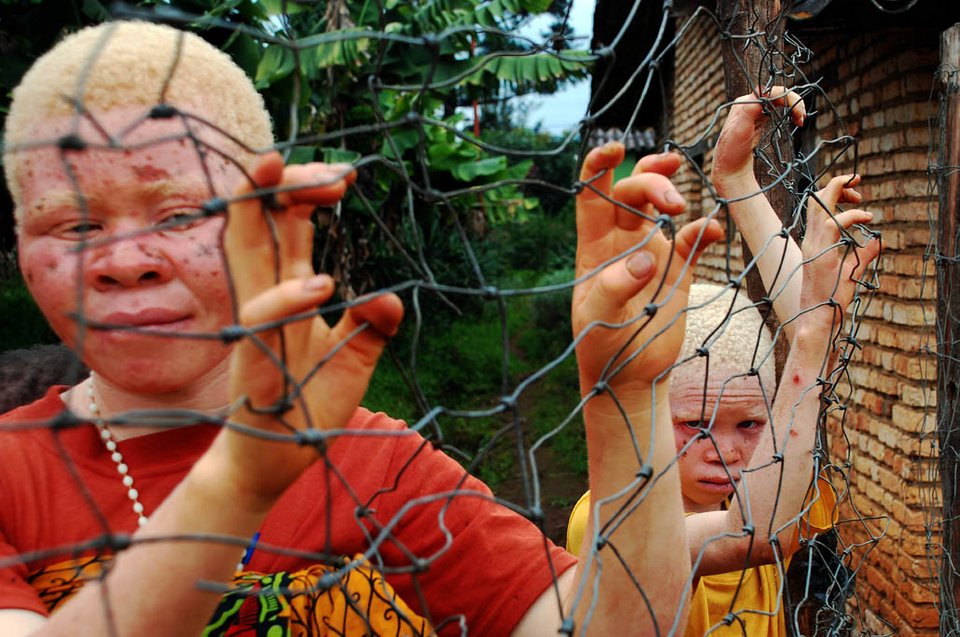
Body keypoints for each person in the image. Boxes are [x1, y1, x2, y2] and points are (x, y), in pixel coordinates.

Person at [0, 20, 728, 636]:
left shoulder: (380, 468)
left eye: (180, 214)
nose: (124, 262)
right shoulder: (11, 474)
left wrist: (628, 392)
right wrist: (238, 483)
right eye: (74, 223)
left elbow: (606, 624)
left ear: (267, 215)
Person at [566, 89, 880, 635]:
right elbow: (752, 532)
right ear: (650, 408)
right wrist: (814, 327)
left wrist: (737, 180)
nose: (728, 452)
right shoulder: (606, 514)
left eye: (752, 424)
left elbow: (812, 354)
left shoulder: (768, 477)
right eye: (695, 425)